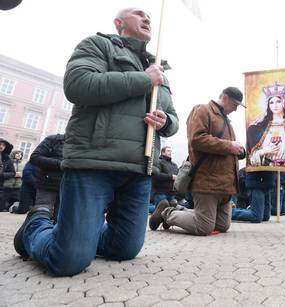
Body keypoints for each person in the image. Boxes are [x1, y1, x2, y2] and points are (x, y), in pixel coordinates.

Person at [13, 7, 179, 276]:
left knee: (123, 249)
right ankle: (37, 223)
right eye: (139, 14)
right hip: (94, 162)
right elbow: (78, 84)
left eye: (149, 16)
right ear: (119, 23)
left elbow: (173, 118)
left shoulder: (159, 71)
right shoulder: (99, 45)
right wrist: (143, 79)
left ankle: (76, 233)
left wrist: (165, 121)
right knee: (67, 261)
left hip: (138, 170)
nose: (147, 18)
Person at [149, 87, 244, 235]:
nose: (236, 109)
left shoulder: (226, 120)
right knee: (203, 227)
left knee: (222, 226)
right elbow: (197, 139)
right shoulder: (202, 110)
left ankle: (178, 209)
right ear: (224, 98)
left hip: (225, 185)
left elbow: (225, 149)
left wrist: (239, 151)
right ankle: (166, 212)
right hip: (208, 181)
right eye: (235, 105)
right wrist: (229, 145)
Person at [27, 134, 65, 220]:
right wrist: (60, 163)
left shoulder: (82, 144)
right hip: (47, 185)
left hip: (68, 187)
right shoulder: (54, 139)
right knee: (40, 215)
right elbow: (35, 157)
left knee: (60, 219)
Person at [150, 146, 179, 212]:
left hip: (172, 193)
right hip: (161, 193)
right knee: (159, 213)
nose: (170, 152)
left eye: (171, 151)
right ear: (163, 152)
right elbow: (156, 175)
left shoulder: (174, 165)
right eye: (168, 151)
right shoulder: (158, 162)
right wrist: (171, 176)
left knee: (169, 214)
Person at [0, 138, 15, 210]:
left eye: (3, 145)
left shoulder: (7, 159)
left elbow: (12, 173)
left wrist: (2, 175)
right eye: (0, 144)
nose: (1, 146)